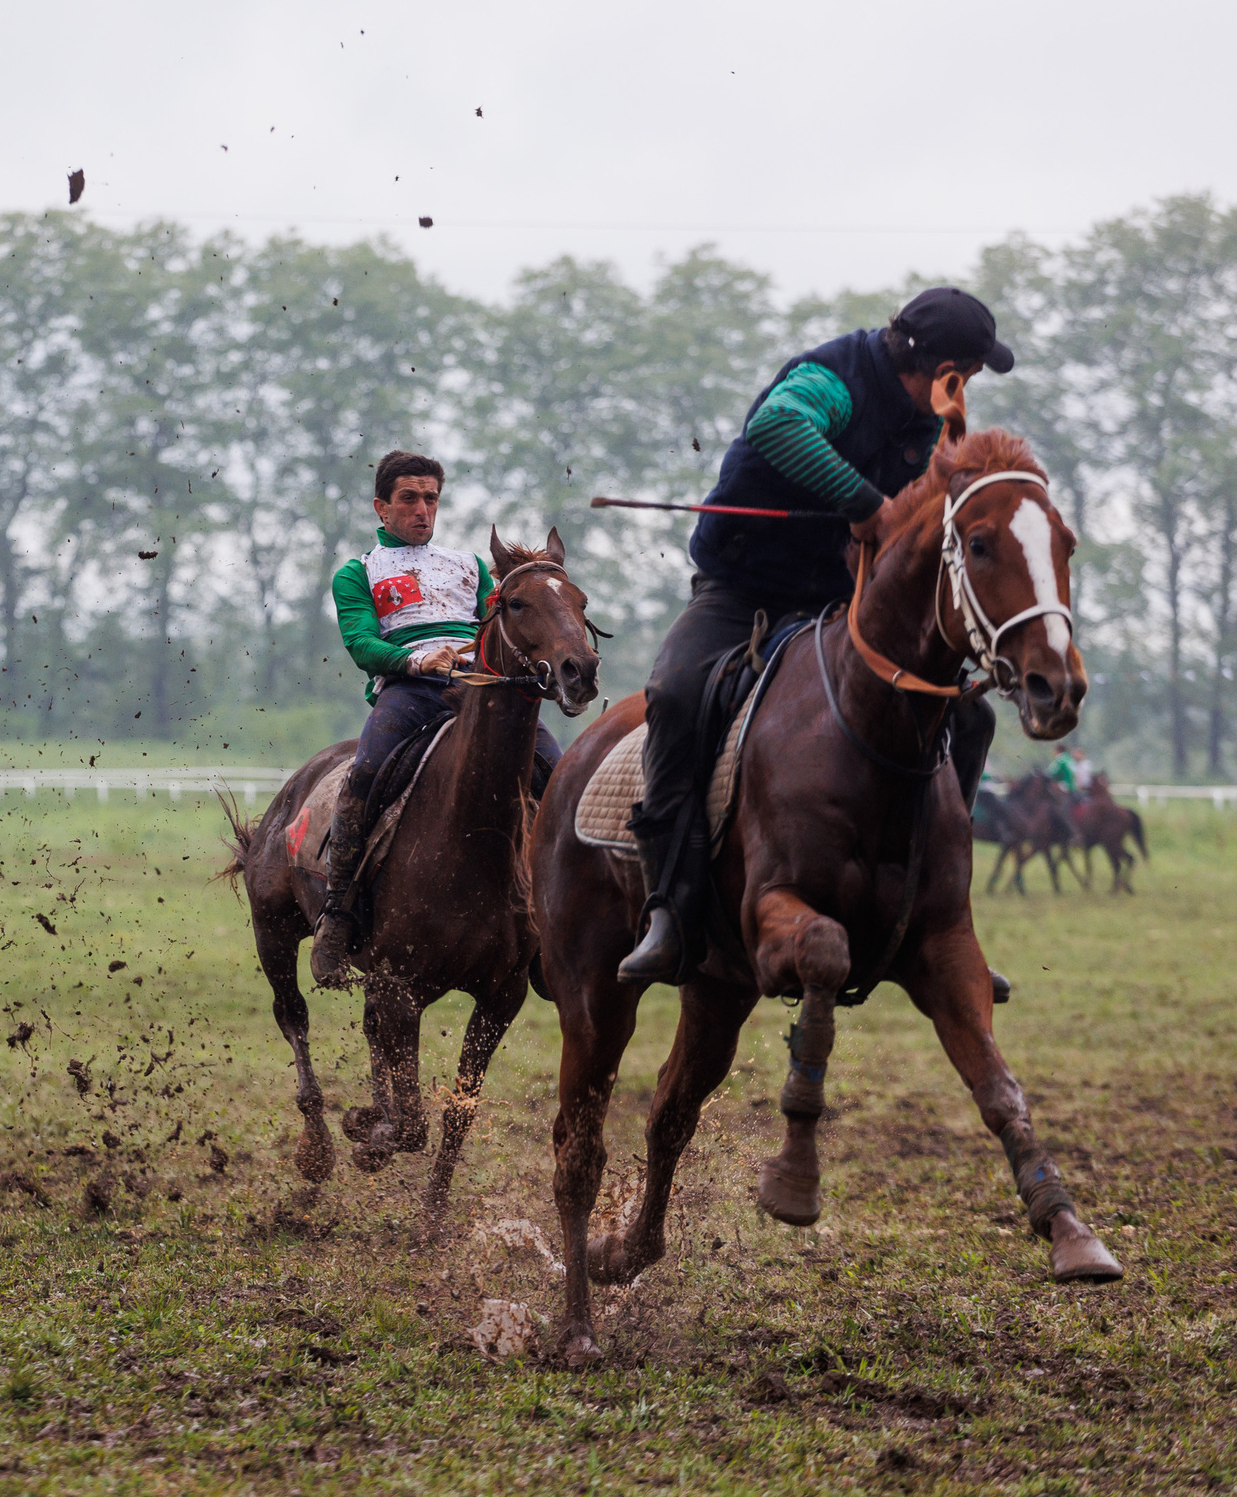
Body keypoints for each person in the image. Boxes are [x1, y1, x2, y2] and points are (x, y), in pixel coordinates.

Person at [618, 287, 1013, 992]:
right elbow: (778, 426)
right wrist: (866, 504)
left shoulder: (932, 419)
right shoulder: (832, 377)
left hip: (837, 600)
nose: (970, 391)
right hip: (741, 588)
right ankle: (671, 909)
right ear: (941, 366)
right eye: (969, 376)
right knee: (675, 695)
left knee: (971, 715)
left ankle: (938, 908)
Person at [311, 449, 563, 987]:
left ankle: (550, 920)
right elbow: (360, 643)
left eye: (431, 498)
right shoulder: (356, 573)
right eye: (409, 499)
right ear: (382, 507)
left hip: (480, 690)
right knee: (363, 775)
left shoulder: (470, 565)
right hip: (408, 691)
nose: (422, 510)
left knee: (559, 775)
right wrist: (414, 659)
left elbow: (503, 626)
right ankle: (337, 913)